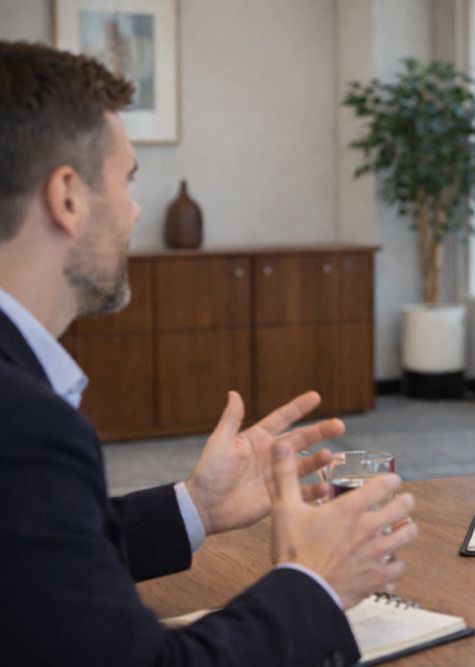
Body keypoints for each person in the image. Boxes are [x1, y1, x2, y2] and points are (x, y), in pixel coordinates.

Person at [0, 41, 418, 665]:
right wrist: (316, 583)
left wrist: (195, 505)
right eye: (128, 179)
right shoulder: (26, 426)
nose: (136, 209)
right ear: (67, 197)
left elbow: (36, 565)